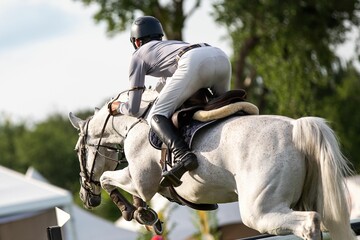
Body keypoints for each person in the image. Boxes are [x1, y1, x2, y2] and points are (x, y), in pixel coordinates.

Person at [110, 16, 231, 187]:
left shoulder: (138, 55)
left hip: (194, 62)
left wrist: (118, 106)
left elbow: (134, 109)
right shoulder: (170, 46)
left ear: (137, 42)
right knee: (224, 107)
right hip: (219, 55)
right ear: (159, 36)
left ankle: (183, 155)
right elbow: (164, 85)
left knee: (155, 115)